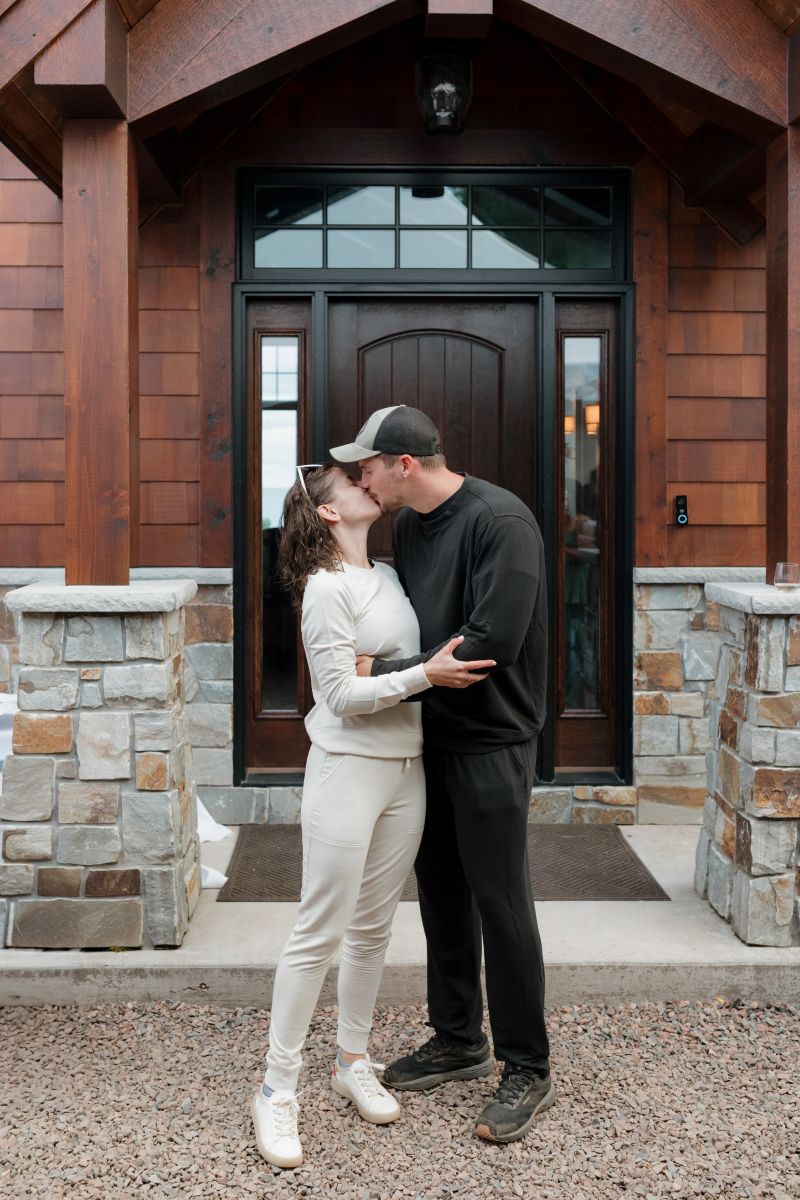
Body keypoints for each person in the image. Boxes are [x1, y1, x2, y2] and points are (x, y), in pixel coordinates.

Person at [251, 462, 494, 1170]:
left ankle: (351, 1059)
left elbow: (372, 678)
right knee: (317, 930)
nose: (366, 484)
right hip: (348, 772)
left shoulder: (387, 573)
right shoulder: (326, 590)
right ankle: (276, 1089)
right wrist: (420, 676)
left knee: (373, 928)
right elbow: (338, 696)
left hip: (405, 770)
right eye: (349, 483)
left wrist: (384, 669)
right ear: (329, 513)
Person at [329, 404, 555, 1145]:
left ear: (404, 465)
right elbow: (430, 640)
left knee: (501, 901)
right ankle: (460, 1038)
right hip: (429, 732)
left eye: (367, 463)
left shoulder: (501, 521)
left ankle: (528, 1064)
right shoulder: (413, 526)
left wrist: (381, 670)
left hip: (492, 740)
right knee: (444, 899)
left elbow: (491, 642)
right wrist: (404, 671)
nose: (359, 474)